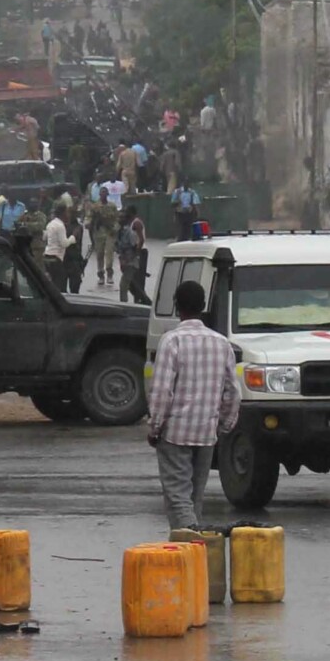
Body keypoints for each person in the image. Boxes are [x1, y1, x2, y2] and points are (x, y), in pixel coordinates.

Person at [147, 280, 240, 531]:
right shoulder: (222, 343)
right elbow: (233, 392)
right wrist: (223, 426)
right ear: (203, 306)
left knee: (178, 499)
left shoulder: (171, 341)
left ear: (178, 307)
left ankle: (188, 546)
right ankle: (195, 558)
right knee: (194, 499)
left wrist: (154, 428)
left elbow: (162, 391)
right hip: (206, 434)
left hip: (175, 433)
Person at [117, 206, 148, 305]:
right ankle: (140, 300)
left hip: (140, 252)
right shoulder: (127, 226)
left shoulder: (136, 223)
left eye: (126, 213)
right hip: (134, 253)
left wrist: (135, 255)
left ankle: (140, 301)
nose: (124, 215)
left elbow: (141, 240)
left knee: (137, 280)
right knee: (133, 282)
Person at [88, 188, 120, 286]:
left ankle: (109, 274)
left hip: (110, 232)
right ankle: (101, 275)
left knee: (109, 254)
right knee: (100, 255)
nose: (103, 195)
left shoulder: (112, 206)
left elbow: (117, 219)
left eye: (105, 193)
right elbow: (89, 218)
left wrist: (115, 229)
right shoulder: (95, 207)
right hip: (98, 233)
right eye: (101, 193)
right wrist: (89, 224)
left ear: (107, 194)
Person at [42, 202, 74, 289]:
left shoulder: (51, 224)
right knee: (60, 285)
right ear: (63, 213)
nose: (68, 215)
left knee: (51, 283)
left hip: (47, 257)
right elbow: (64, 243)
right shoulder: (60, 226)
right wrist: (72, 238)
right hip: (56, 258)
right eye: (67, 212)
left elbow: (44, 238)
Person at [61, 206, 87, 294]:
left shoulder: (78, 227)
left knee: (74, 289)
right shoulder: (62, 225)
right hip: (64, 259)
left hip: (74, 260)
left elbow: (75, 237)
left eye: (71, 213)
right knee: (62, 289)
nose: (69, 215)